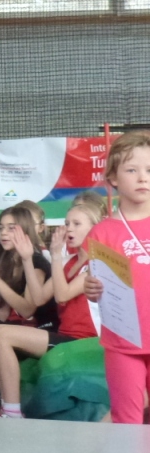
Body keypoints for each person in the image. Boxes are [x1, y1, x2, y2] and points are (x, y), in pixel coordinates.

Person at [0, 203, 103, 418]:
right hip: (65, 337)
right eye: (67, 223)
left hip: (85, 341)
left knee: (3, 334)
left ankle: (11, 411)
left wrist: (56, 256)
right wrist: (26, 259)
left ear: (94, 228)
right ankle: (2, 402)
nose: (69, 228)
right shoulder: (69, 262)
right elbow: (39, 298)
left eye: (77, 224)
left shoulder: (97, 264)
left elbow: (62, 295)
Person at [84, 131, 150, 424]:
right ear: (112, 177)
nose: (142, 178)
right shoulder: (101, 232)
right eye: (132, 170)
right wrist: (90, 288)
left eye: (149, 170)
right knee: (126, 422)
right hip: (123, 343)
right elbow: (95, 282)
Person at [0, 205, 57, 413]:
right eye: (1, 228)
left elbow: (27, 310)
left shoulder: (36, 262)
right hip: (22, 326)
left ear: (26, 230)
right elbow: (3, 313)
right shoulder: (10, 261)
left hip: (45, 328)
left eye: (11, 228)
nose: (4, 233)